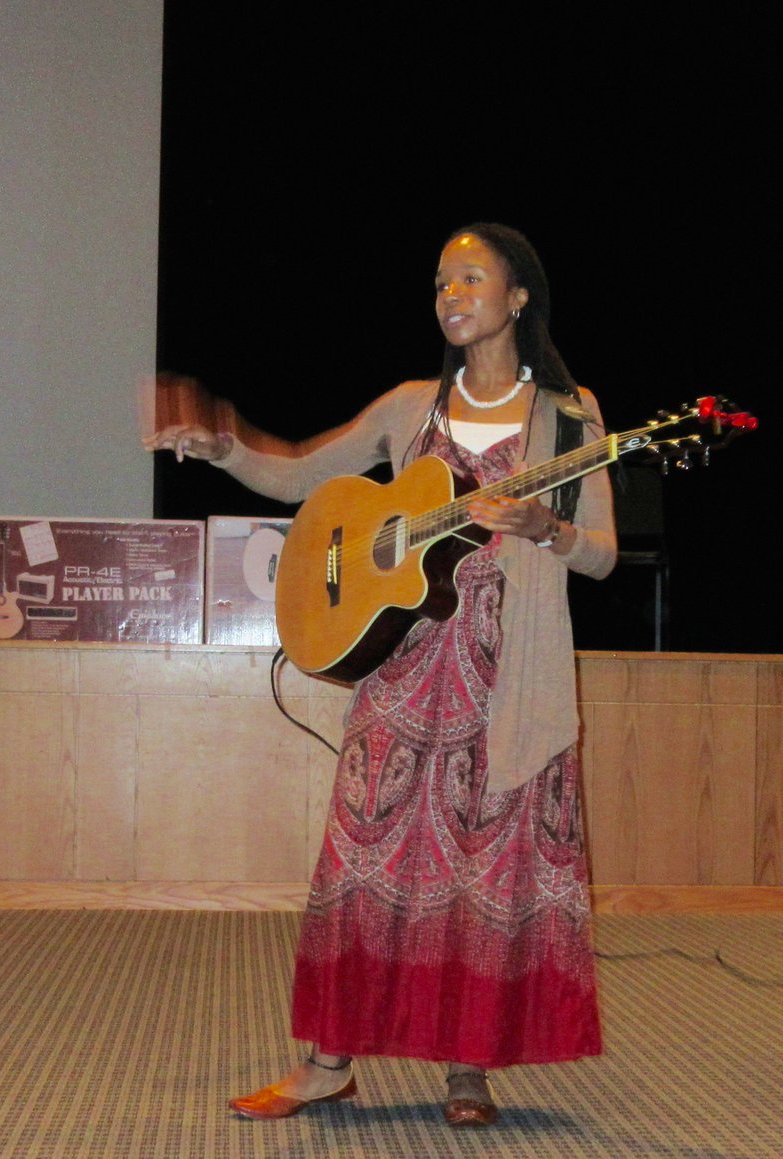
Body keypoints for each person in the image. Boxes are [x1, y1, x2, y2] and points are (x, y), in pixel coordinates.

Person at [146, 223, 615, 1128]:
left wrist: (545, 531)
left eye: (469, 277)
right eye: (440, 280)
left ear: (518, 297)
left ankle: (468, 1066)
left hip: (507, 677)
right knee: (362, 862)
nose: (449, 293)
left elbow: (599, 554)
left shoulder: (572, 416)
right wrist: (225, 447)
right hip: (403, 672)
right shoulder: (410, 406)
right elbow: (300, 476)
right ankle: (328, 1062)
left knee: (490, 869)